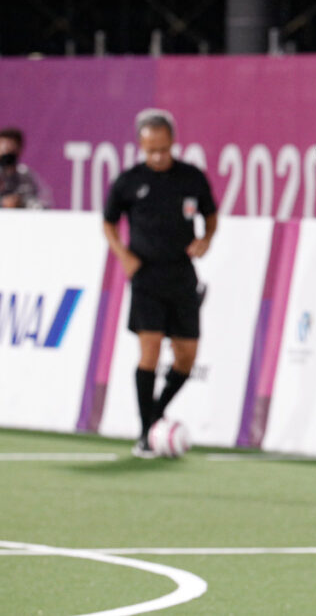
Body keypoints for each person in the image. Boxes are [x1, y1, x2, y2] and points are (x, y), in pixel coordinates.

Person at [103, 109, 218, 458]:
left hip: (182, 276)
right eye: (151, 150)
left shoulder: (191, 178)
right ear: (141, 145)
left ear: (172, 143)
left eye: (163, 149)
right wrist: (124, 256)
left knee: (186, 357)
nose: (157, 156)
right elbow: (108, 223)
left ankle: (156, 414)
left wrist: (205, 239)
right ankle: (144, 432)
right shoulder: (128, 181)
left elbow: (210, 217)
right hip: (146, 277)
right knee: (149, 350)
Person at [0, 127, 49, 209]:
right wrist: (1, 203)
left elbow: (44, 200)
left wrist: (21, 202)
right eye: (3, 148)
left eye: (11, 148)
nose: (7, 152)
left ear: (19, 149)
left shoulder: (25, 175)